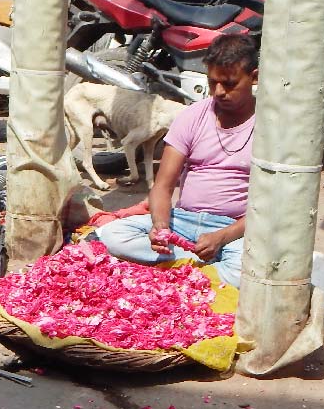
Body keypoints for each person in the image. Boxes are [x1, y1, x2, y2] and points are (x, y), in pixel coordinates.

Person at [92, 35, 259, 287]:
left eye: (229, 84)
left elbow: (267, 209)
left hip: (233, 229)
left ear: (254, 77)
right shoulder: (193, 116)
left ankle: (181, 269)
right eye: (212, 83)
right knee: (114, 235)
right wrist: (160, 227)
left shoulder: (268, 125)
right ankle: (198, 271)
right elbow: (162, 186)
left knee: (243, 270)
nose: (219, 92)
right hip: (181, 220)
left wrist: (221, 237)